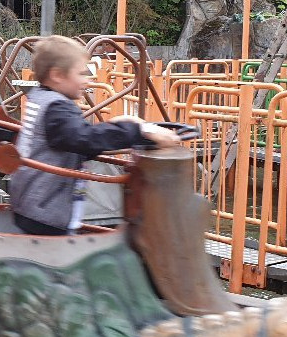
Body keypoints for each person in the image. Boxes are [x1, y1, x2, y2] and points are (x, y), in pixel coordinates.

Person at [9, 35, 180, 236]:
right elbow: (85, 139)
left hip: (28, 204)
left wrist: (117, 125)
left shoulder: (40, 98)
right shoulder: (57, 108)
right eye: (81, 73)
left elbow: (68, 140)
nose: (87, 79)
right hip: (45, 212)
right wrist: (141, 132)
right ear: (57, 75)